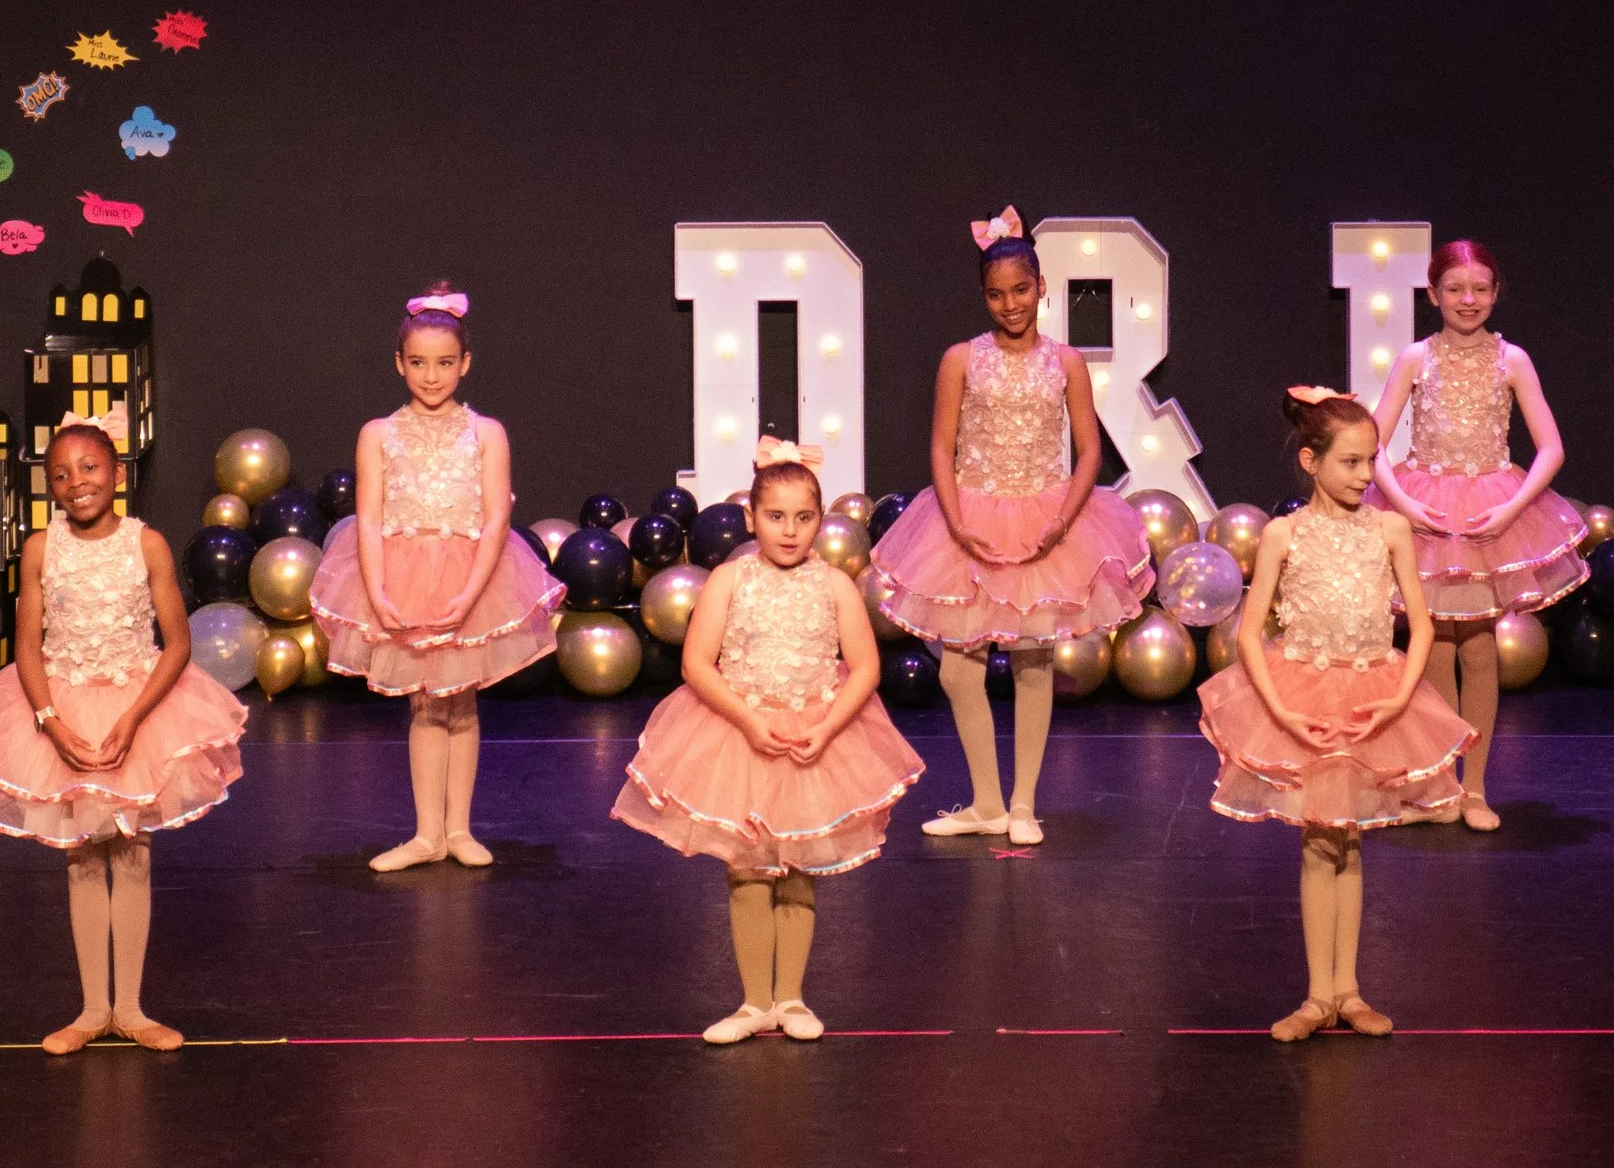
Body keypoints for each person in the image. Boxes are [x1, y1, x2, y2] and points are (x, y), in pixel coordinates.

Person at [613, 439, 923, 1043]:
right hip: (741, 736)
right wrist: (752, 722)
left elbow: (864, 668)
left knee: (799, 865)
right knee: (749, 868)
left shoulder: (833, 584)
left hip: (813, 738)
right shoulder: (731, 578)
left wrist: (827, 726)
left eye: (803, 518)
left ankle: (793, 999)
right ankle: (754, 1003)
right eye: (775, 517)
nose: (789, 531)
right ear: (752, 518)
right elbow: (698, 664)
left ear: (821, 520)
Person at [0, 411, 247, 1052]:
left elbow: (176, 644)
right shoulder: (41, 546)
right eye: (60, 474)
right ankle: (92, 1010)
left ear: (117, 473)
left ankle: (133, 1009)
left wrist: (133, 718)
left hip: (134, 707)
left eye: (89, 468)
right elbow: (27, 647)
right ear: (49, 487)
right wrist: (49, 721)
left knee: (133, 852)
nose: (76, 482)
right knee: (84, 856)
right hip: (63, 708)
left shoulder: (146, 544)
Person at [867, 209, 1151, 845]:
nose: (1010, 304)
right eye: (996, 294)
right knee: (958, 669)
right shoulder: (961, 359)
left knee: (1032, 659)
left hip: (1046, 520)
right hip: (970, 520)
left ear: (1042, 286)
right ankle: (987, 801)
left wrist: (1062, 521)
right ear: (983, 297)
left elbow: (1090, 452)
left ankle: (1022, 804)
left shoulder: (1067, 361)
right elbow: (942, 447)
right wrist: (955, 518)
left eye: (1020, 290)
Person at [1199, 388, 1473, 1040]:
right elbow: (1246, 634)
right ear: (1311, 460)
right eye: (1350, 462)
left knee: (1350, 839)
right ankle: (1316, 995)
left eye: (1371, 461)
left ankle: (1348, 990)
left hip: (1372, 694)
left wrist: (1400, 695)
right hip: (1305, 696)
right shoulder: (1283, 533)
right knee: (1319, 839)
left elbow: (1424, 625)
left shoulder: (1390, 529)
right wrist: (1285, 716)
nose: (1365, 475)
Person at [310, 287, 565, 870]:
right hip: (401, 575)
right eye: (418, 363)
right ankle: (426, 834)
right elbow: (369, 518)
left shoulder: (487, 433)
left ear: (465, 364)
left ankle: (458, 830)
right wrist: (375, 591)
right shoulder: (377, 433)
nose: (431, 376)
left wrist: (471, 592)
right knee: (425, 704)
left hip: (469, 574)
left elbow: (497, 515)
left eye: (445, 363)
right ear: (399, 363)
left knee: (461, 701)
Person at [1366, 240, 1586, 830]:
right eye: (1456, 289)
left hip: (1491, 513)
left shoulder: (1512, 359)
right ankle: (1439, 786)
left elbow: (1552, 447)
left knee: (1481, 649)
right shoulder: (1416, 357)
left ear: (1495, 293)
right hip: (1430, 512)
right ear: (1434, 294)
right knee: (1433, 645)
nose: (1469, 300)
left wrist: (1515, 507)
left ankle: (1476, 789)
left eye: (1480, 289)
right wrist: (1406, 502)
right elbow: (1372, 443)